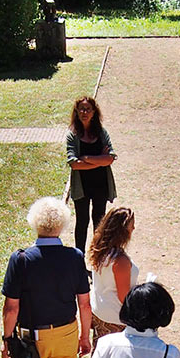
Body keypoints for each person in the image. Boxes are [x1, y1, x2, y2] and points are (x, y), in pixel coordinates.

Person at [1, 197, 92, 358]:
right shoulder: (75, 257)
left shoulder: (20, 259)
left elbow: (11, 309)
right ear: (62, 224)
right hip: (67, 333)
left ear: (35, 222)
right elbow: (84, 303)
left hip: (31, 337)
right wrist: (84, 336)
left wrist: (7, 339)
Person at [65, 96, 117, 254]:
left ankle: (98, 256)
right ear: (76, 112)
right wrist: (99, 160)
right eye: (81, 109)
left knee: (99, 222)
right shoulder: (73, 135)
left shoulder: (101, 133)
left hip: (101, 184)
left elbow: (110, 158)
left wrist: (86, 158)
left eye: (88, 109)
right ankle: (79, 259)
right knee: (82, 222)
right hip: (82, 186)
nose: (84, 112)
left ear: (94, 112)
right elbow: (74, 163)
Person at [87, 206, 140, 348]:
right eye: (131, 226)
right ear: (122, 231)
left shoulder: (100, 250)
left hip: (99, 312)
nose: (133, 228)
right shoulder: (120, 261)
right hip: (116, 317)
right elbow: (123, 298)